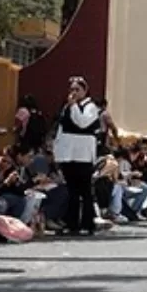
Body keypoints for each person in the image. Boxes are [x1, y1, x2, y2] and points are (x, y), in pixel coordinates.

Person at [55, 76, 101, 235]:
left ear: (85, 91)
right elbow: (62, 127)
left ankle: (88, 224)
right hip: (68, 153)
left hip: (82, 154)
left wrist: (74, 106)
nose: (74, 93)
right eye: (72, 90)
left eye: (77, 90)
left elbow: (82, 123)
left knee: (85, 190)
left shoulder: (90, 107)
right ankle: (71, 223)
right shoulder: (67, 106)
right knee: (72, 190)